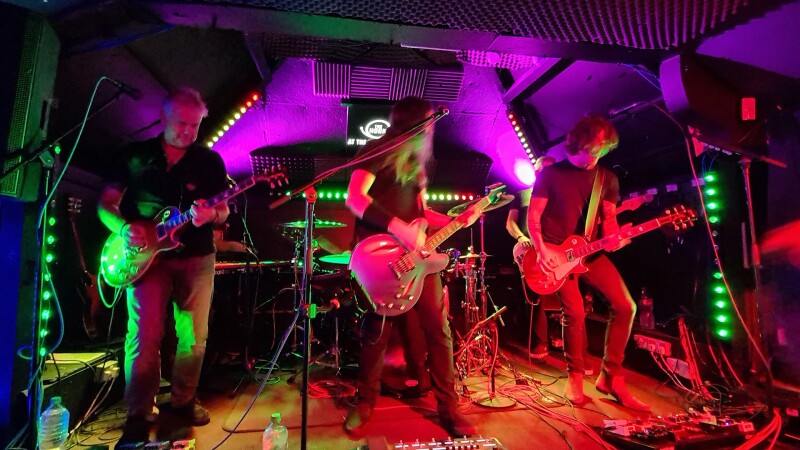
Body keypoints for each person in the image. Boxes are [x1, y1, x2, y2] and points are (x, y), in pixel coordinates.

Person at [98, 87, 230, 446]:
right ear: (163, 119)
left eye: (195, 125)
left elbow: (223, 211)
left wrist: (210, 215)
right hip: (146, 260)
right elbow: (106, 204)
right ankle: (139, 413)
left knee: (194, 338)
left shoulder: (210, 161)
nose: (188, 132)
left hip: (196, 256)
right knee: (143, 338)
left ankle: (183, 401)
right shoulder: (134, 156)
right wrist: (123, 229)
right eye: (181, 124)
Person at [344, 96, 481, 437]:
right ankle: (364, 402)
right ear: (415, 124)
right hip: (382, 258)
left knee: (439, 331)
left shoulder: (417, 166)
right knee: (376, 335)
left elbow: (422, 214)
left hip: (418, 260)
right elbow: (355, 198)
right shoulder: (377, 149)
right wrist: (398, 227)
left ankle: (449, 409)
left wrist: (456, 219)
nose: (433, 129)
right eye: (429, 122)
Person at [527, 116, 650, 411]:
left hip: (590, 253)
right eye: (592, 149)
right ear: (577, 143)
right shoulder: (551, 174)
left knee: (626, 306)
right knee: (575, 312)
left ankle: (611, 377)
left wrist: (616, 238)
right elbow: (533, 217)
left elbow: (609, 222)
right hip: (556, 255)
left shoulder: (607, 179)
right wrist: (542, 250)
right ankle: (575, 376)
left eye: (603, 149)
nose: (596, 155)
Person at [505, 155, 556, 359]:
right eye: (542, 169)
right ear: (535, 171)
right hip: (529, 252)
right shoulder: (523, 194)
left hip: (554, 250)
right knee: (533, 296)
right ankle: (539, 342)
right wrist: (521, 236)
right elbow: (510, 223)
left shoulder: (559, 194)